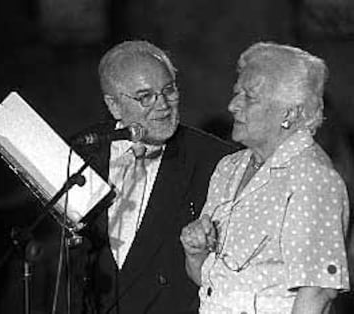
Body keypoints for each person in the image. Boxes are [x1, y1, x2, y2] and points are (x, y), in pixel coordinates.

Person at [180, 42, 350, 314]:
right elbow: (214, 283)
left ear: (289, 113)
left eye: (249, 97)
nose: (233, 106)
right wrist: (195, 252)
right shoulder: (229, 168)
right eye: (236, 94)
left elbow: (317, 292)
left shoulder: (312, 178)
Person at [68, 40, 236, 314]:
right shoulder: (85, 151)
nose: (163, 106)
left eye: (168, 90)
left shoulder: (215, 160)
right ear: (114, 105)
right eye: (145, 96)